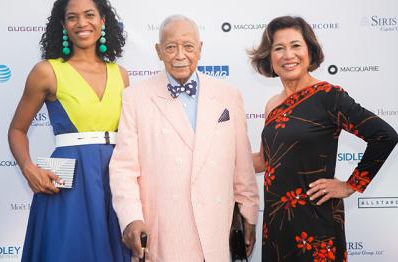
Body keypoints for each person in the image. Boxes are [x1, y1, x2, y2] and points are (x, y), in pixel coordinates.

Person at [109, 14, 259, 262]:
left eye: (188, 46)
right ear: (158, 51)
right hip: (164, 229)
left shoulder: (228, 96)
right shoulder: (136, 98)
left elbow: (241, 163)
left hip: (216, 227)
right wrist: (131, 218)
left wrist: (249, 213)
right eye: (171, 47)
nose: (180, 55)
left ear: (200, 49)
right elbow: (123, 168)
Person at [249, 15, 398, 261]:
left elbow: (384, 136)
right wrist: (218, 152)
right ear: (269, 57)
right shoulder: (272, 105)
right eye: (279, 48)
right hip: (277, 225)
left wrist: (351, 185)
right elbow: (266, 162)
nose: (288, 55)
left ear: (310, 50)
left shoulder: (329, 97)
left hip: (316, 224)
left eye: (296, 45)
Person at [8, 0, 131, 261]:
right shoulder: (46, 72)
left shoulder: (121, 75)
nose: (82, 23)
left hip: (115, 178)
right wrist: (28, 168)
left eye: (89, 15)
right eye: (72, 17)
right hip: (67, 181)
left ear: (102, 20)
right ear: (63, 25)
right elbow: (16, 130)